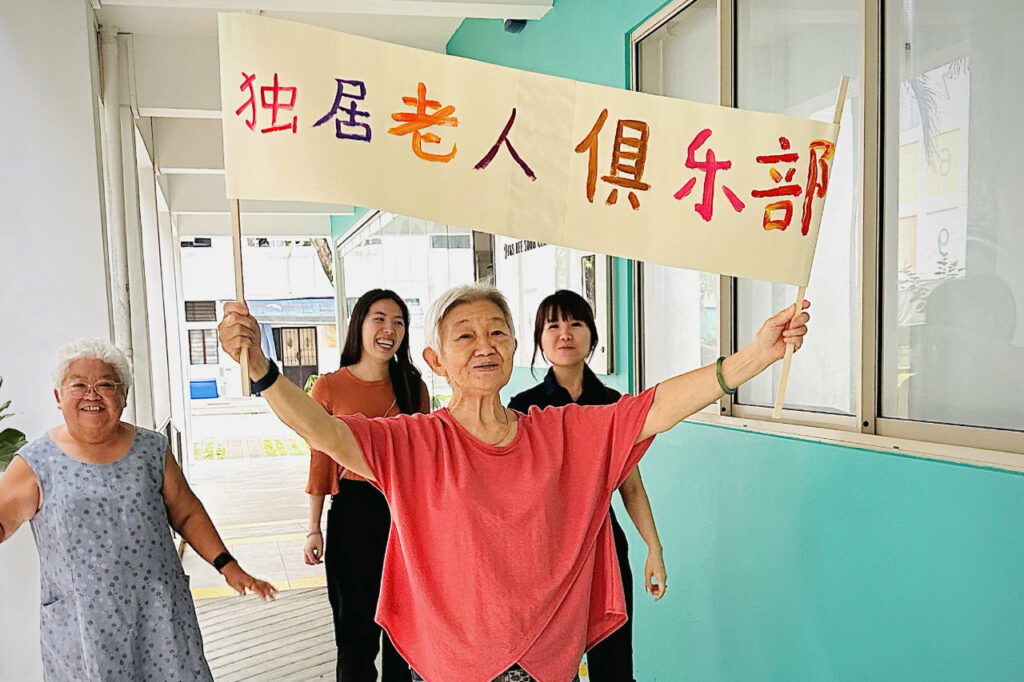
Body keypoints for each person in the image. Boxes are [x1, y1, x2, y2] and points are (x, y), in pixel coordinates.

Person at [218, 283, 809, 682]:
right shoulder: (413, 442)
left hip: (544, 664)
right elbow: (321, 427)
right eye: (466, 336)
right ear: (435, 359)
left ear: (513, 348)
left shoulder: (560, 433)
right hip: (449, 666)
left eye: (497, 333)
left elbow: (654, 408)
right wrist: (259, 368)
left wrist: (754, 357)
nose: (485, 346)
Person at [0, 338, 276, 681]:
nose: (92, 395)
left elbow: (187, 512)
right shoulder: (36, 462)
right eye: (78, 385)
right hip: (83, 627)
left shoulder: (151, 449)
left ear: (124, 396)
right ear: (59, 396)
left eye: (105, 384)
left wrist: (227, 565)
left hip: (159, 613)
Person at [508, 290, 665, 682]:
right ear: (539, 340)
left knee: (614, 661)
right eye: (553, 325)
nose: (565, 334)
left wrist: (654, 547)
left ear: (592, 337)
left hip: (604, 544)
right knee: (546, 664)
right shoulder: (522, 407)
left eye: (576, 323)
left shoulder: (612, 404)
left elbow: (630, 485)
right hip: (543, 551)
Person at [302, 289, 430, 682]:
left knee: (403, 635)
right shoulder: (329, 386)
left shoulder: (413, 386)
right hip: (352, 515)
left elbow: (424, 462)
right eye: (380, 318)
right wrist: (312, 527)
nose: (389, 329)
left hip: (404, 516)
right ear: (360, 323)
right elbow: (320, 460)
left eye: (398, 321)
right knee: (354, 632)